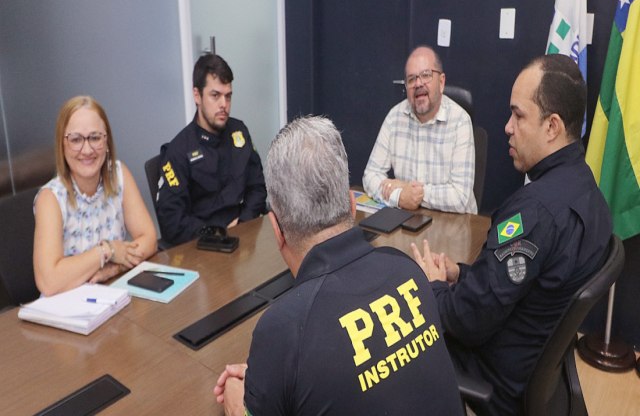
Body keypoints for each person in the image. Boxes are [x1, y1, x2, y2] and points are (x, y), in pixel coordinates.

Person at [214, 116, 463, 415]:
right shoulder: (408, 271)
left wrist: (236, 402)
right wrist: (275, 375)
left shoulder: (283, 330)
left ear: (276, 229)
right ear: (352, 205)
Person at [410, 54, 612, 415]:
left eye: (518, 116)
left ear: (552, 127)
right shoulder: (588, 191)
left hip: (497, 380)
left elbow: (466, 320)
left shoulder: (533, 213)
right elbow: (521, 281)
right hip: (534, 368)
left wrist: (435, 286)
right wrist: (461, 274)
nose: (507, 127)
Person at [33, 96, 157, 296]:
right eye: (76, 139)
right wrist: (107, 251)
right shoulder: (50, 198)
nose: (87, 149)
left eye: (95, 137)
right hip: (66, 306)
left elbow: (149, 239)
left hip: (112, 296)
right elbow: (49, 282)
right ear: (62, 145)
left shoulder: (118, 174)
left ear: (106, 141)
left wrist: (114, 268)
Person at [156, 53, 267, 245]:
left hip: (243, 235)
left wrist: (243, 223)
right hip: (202, 245)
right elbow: (172, 222)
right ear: (197, 95)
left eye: (228, 96)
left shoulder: (239, 132)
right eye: (215, 95)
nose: (224, 104)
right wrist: (218, 234)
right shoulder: (178, 151)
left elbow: (257, 188)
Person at [363, 45, 477, 214]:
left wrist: (412, 191)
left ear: (441, 82)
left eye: (426, 75)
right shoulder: (394, 117)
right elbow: (370, 175)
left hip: (455, 223)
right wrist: (399, 196)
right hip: (408, 219)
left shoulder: (460, 121)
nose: (418, 84)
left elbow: (460, 197)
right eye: (411, 79)